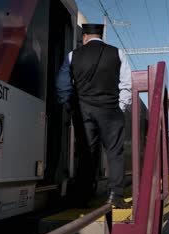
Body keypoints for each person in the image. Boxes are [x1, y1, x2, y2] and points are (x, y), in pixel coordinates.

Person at [55, 23, 132, 209]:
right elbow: (126, 84)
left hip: (83, 111)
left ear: (85, 36)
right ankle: (115, 195)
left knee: (86, 153)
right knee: (114, 152)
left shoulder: (73, 55)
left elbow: (62, 85)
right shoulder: (117, 53)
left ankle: (83, 197)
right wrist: (120, 107)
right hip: (110, 109)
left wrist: (71, 107)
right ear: (100, 36)